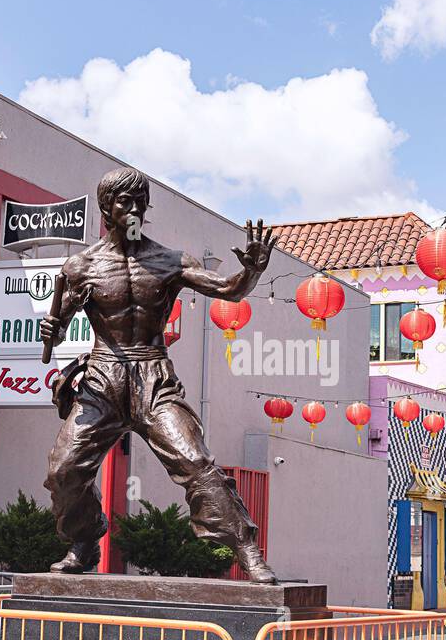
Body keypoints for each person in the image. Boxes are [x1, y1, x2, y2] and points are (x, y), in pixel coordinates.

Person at [39, 167, 278, 583]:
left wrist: (251, 272)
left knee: (195, 460)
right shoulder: (81, 266)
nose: (134, 209)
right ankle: (84, 540)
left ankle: (247, 550)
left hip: (153, 375)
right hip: (103, 377)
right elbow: (58, 326)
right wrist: (53, 329)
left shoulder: (170, 261)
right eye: (124, 202)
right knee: (64, 470)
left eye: (140, 202)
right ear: (106, 209)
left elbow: (227, 290)